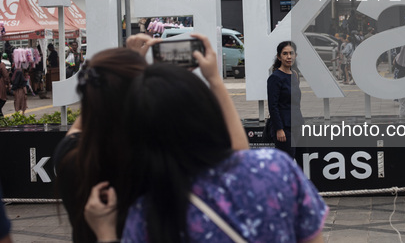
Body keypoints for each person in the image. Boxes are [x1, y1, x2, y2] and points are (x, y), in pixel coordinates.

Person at [85, 37, 327, 243]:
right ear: (205, 112)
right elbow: (242, 157)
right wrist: (214, 80)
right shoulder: (272, 169)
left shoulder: (144, 214)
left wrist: (106, 233)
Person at [54, 34, 249, 242]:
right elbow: (239, 157)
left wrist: (126, 67)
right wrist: (214, 80)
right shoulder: (147, 158)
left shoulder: (71, 155)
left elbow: (96, 107)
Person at [267, 41, 304, 158]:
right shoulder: (275, 77)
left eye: (291, 53)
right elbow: (273, 106)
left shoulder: (295, 74)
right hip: (283, 127)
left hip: (296, 124)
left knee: (294, 159)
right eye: (285, 53)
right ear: (279, 57)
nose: (289, 57)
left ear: (295, 55)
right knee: (287, 159)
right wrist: (279, 129)